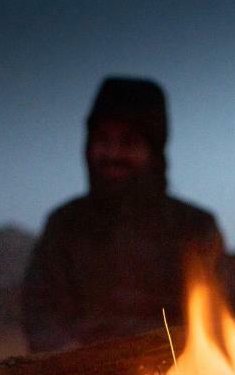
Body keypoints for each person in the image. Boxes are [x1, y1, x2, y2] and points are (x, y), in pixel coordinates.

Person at [22, 78, 223, 351]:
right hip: (79, 373)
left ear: (153, 153)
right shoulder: (65, 224)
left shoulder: (194, 226)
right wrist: (67, 357)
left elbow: (217, 315)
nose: (113, 154)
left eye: (128, 142)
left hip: (177, 373)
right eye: (103, 140)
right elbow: (40, 309)